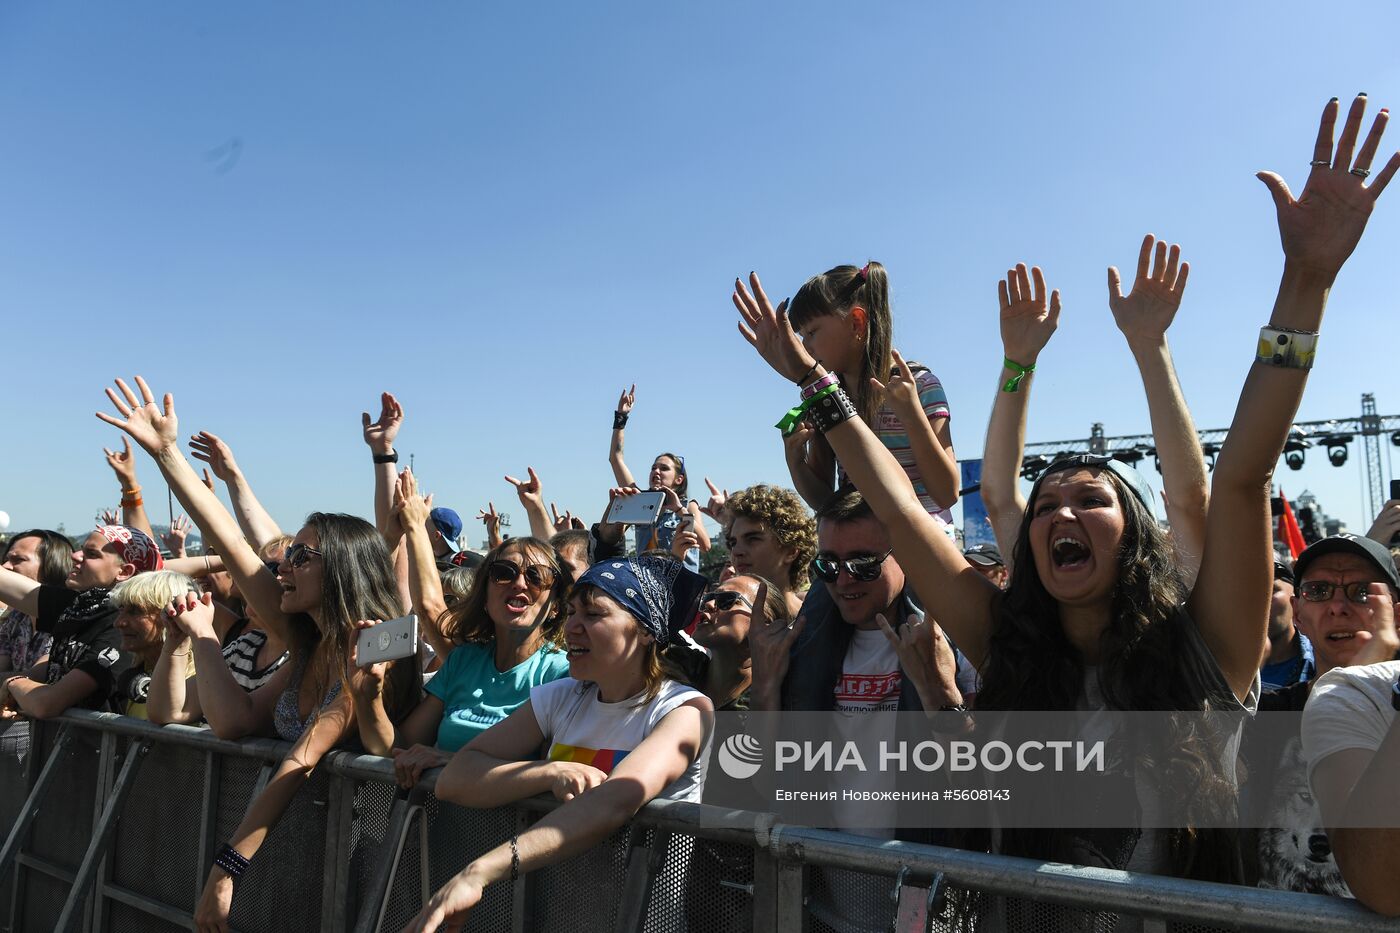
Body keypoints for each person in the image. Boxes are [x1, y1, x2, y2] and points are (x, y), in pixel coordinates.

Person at [734, 94, 1397, 885]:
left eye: (1089, 500)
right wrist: (814, 383)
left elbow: (1243, 473)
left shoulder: (1205, 650)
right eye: (1045, 506)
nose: (1059, 514)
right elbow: (903, 512)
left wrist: (1307, 280)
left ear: (1138, 534)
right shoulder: (1008, 649)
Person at [94, 375, 421, 931]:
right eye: (288, 552)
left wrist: (225, 870)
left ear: (342, 570)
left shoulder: (368, 649)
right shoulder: (307, 639)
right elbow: (230, 542)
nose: (284, 565)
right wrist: (166, 454)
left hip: (360, 857)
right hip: (291, 846)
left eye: (302, 555)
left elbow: (301, 759)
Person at [404, 556, 712, 932]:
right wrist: (547, 773)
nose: (572, 628)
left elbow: (614, 800)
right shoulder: (560, 696)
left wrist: (479, 872)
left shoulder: (684, 709)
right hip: (556, 917)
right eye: (570, 613)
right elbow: (456, 779)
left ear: (646, 631)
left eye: (593, 614)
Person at [737, 262, 959, 530]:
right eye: (801, 335)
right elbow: (825, 501)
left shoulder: (919, 386)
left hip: (924, 548)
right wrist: (795, 461)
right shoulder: (824, 397)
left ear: (856, 322)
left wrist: (913, 419)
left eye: (812, 332)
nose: (804, 346)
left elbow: (947, 493)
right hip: (859, 551)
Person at [350, 529, 572, 790]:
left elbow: (552, 771)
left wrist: (449, 760)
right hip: (438, 826)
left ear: (555, 606)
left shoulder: (563, 674)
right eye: (504, 572)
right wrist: (367, 697)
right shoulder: (462, 661)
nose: (520, 583)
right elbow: (397, 750)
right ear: (485, 596)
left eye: (537, 576)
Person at [1243, 533, 1400, 895]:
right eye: (1319, 591)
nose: (1338, 607)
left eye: (1362, 592)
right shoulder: (1265, 713)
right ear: (1298, 612)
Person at [0, 525, 159, 719]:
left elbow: (48, 703)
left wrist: (12, 683)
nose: (75, 556)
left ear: (124, 571)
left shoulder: (122, 624)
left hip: (98, 746)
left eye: (91, 554)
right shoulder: (82, 606)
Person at [608, 384, 709, 571]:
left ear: (679, 479)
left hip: (679, 588)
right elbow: (615, 459)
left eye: (664, 468)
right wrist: (621, 417)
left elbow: (704, 545)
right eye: (653, 467)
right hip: (646, 587)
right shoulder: (640, 501)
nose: (656, 471)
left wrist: (679, 510)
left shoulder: (688, 506)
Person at [0, 530, 70, 754]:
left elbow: (35, 675)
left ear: (52, 567)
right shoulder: (15, 617)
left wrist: (9, 685)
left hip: (54, 746)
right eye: (6, 559)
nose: (6, 568)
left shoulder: (69, 618)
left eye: (18, 560)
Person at [109, 570, 199, 719]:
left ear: (172, 614)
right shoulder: (139, 673)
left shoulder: (202, 680)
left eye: (135, 611)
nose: (119, 623)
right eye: (121, 610)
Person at [722, 484, 815, 620]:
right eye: (733, 543)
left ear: (791, 551)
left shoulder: (819, 622)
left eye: (752, 539)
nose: (736, 552)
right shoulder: (725, 622)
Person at [1260, 559, 1315, 691]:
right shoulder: (1216, 665)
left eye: (1270, 589)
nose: (1258, 601)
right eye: (1245, 594)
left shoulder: (1324, 665)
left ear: (1296, 599)